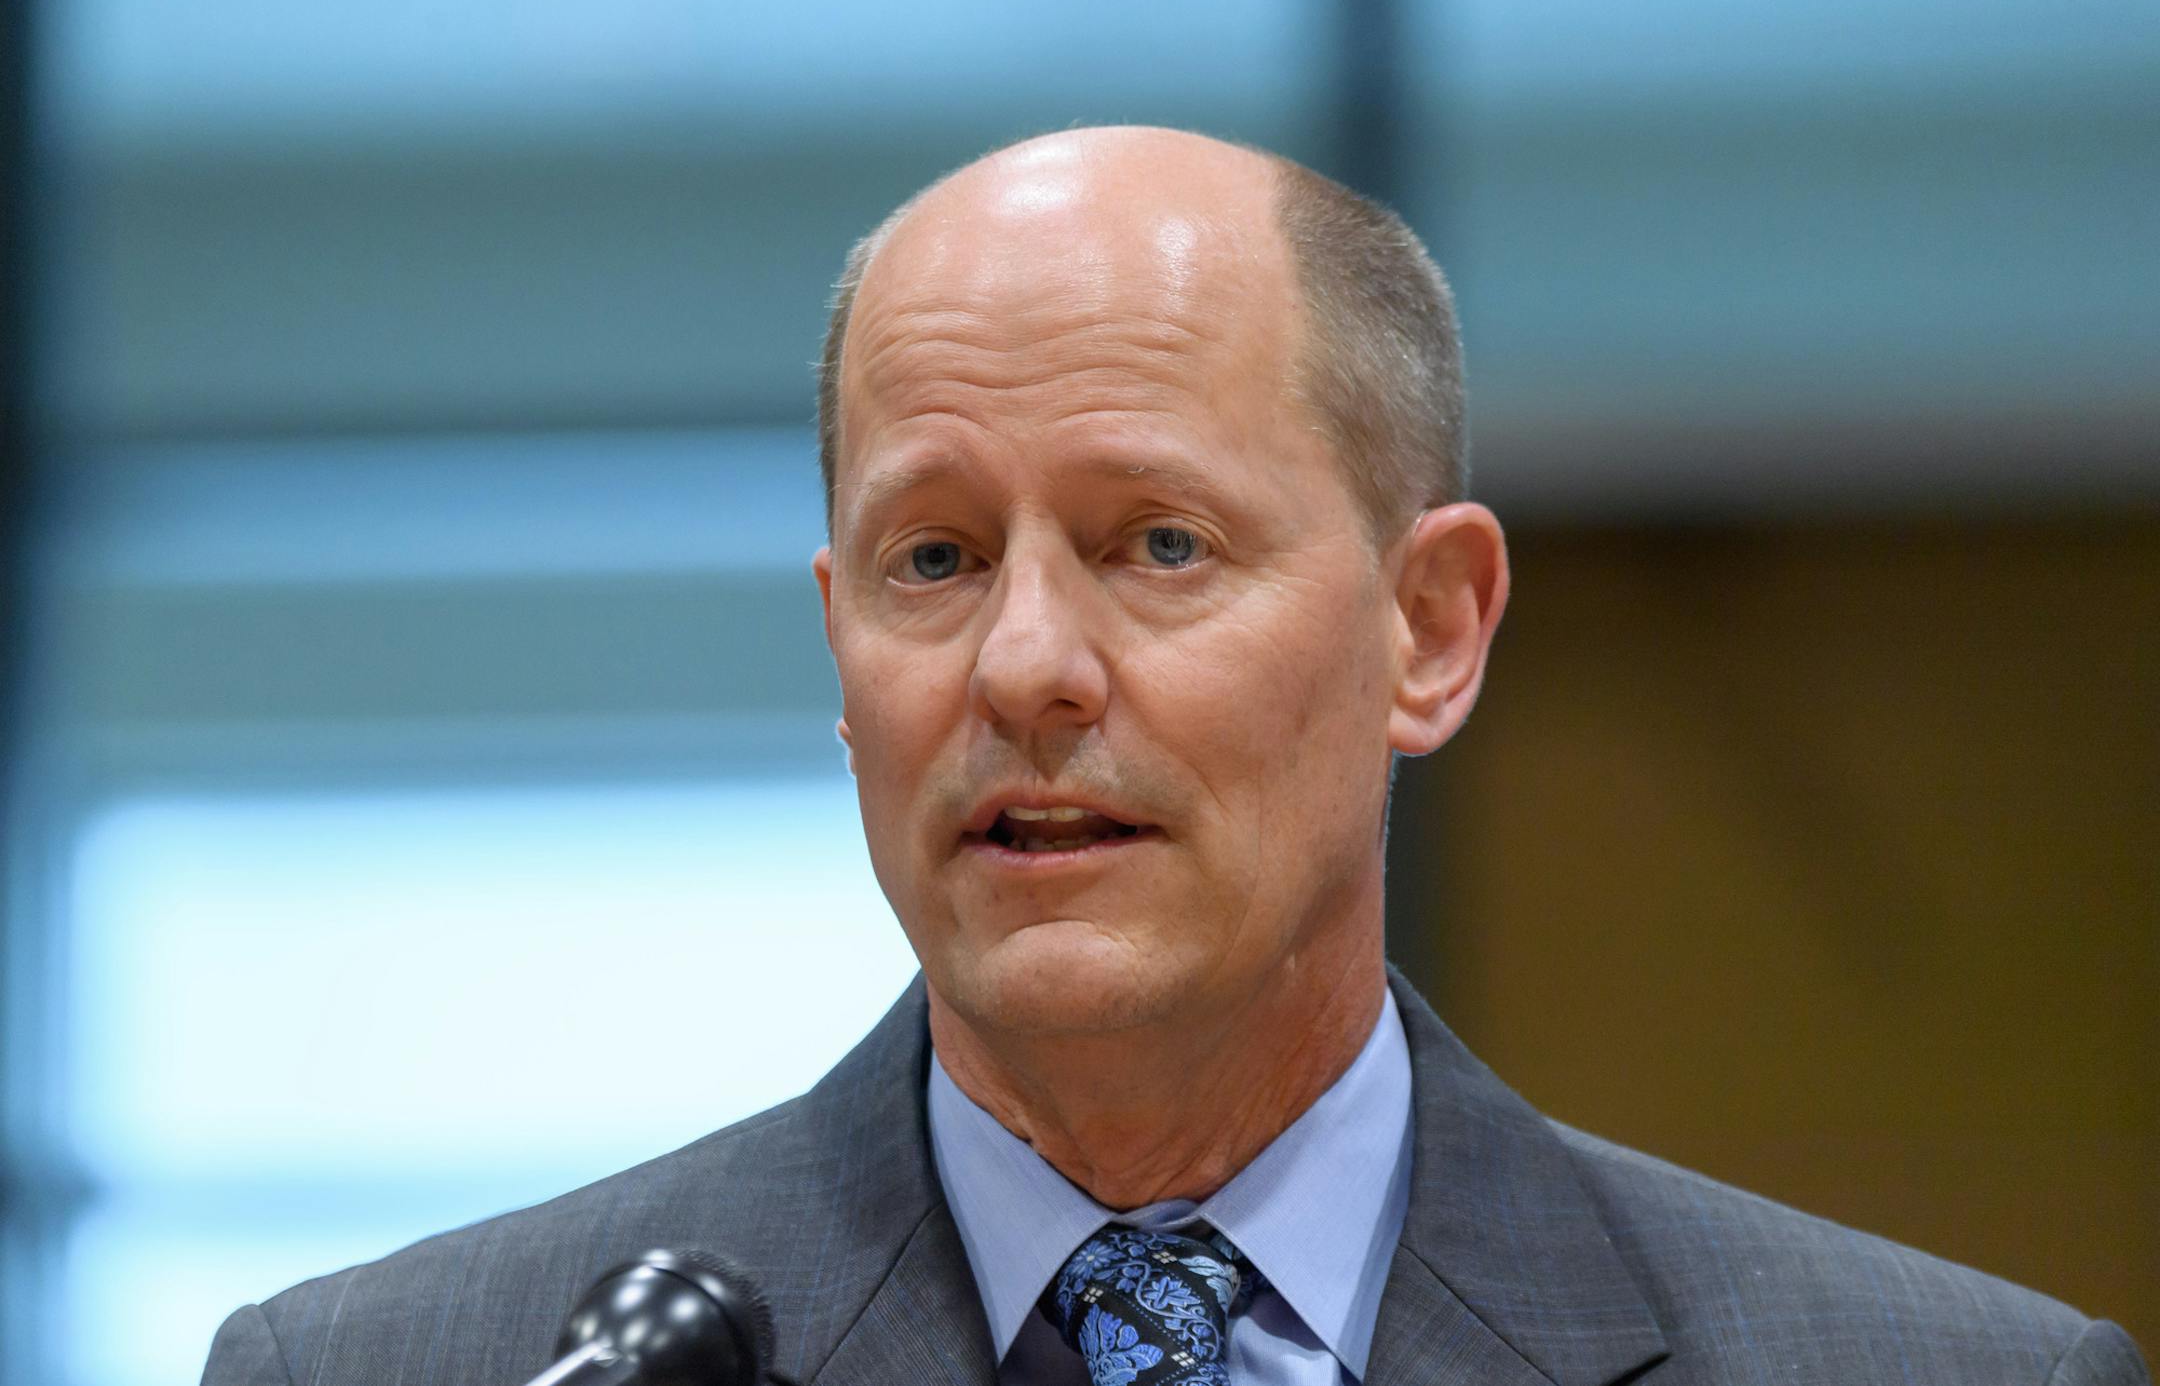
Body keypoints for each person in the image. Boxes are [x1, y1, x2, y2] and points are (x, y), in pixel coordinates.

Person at [200, 126, 2147, 1386]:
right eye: (936, 557)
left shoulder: (1929, 1367)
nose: (1027, 663)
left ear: (1430, 627)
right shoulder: (410, 1362)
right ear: (837, 640)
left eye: (1159, 544)